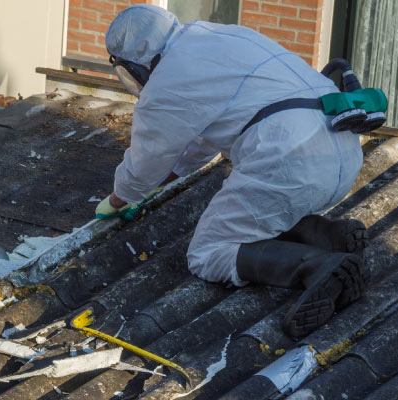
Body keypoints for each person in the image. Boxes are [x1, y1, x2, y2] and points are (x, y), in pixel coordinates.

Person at [95, 4, 369, 338]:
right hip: (343, 149)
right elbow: (200, 141)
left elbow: (147, 158)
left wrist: (117, 199)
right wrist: (162, 181)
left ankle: (318, 267)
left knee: (207, 253)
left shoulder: (168, 80)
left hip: (288, 163)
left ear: (134, 63)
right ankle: (329, 235)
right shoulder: (223, 35)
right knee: (261, 213)